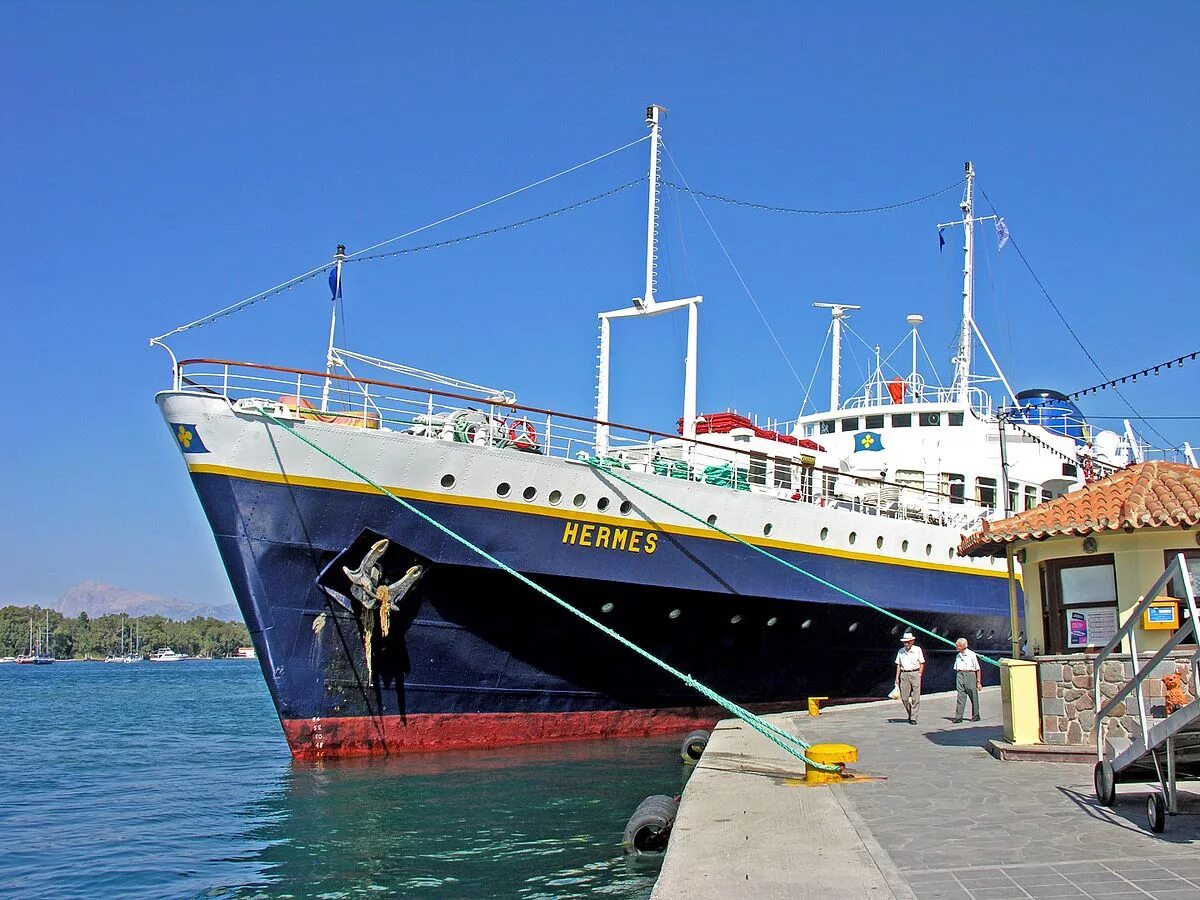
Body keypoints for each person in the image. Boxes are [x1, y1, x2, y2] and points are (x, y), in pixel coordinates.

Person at [894, 632, 925, 724]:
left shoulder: (917, 650)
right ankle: (911, 713)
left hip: (915, 673)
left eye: (908, 642)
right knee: (904, 697)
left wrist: (920, 674)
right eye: (905, 642)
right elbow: (898, 665)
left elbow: (922, 662)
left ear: (912, 641)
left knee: (916, 697)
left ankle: (913, 717)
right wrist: (897, 678)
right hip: (904, 674)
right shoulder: (901, 651)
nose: (906, 644)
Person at [951, 637, 983, 723]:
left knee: (973, 695)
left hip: (970, 674)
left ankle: (976, 715)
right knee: (960, 695)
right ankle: (958, 717)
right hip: (960, 674)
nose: (956, 647)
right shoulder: (958, 655)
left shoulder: (971, 654)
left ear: (963, 646)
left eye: (958, 645)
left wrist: (978, 681)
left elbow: (978, 669)